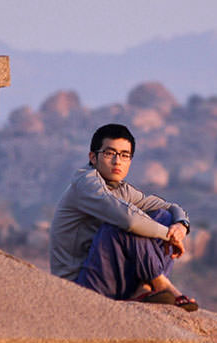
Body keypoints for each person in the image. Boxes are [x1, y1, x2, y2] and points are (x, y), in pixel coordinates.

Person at [49, 123, 199, 311]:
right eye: (110, 153)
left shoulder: (121, 189)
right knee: (121, 224)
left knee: (163, 216)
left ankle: (143, 288)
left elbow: (169, 208)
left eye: (124, 155)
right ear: (93, 157)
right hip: (79, 285)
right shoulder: (86, 183)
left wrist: (181, 226)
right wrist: (168, 235)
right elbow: (129, 220)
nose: (117, 161)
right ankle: (162, 283)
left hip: (108, 277)